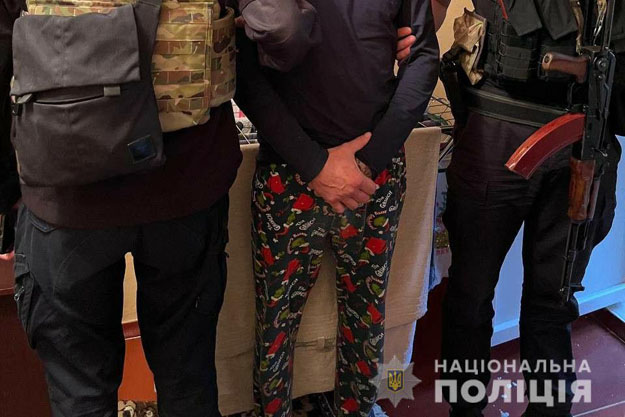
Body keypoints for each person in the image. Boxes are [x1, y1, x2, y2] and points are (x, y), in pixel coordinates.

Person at [0, 0, 242, 416]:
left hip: (64, 198)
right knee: (188, 380)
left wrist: (9, 195)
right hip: (185, 189)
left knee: (80, 395)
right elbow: (272, 29)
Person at [233, 1, 440, 416]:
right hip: (289, 175)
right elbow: (243, 71)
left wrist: (368, 162)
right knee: (275, 323)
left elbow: (423, 58)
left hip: (374, 176)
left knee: (366, 319)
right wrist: (314, 165)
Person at [434, 1, 625, 416]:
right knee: (469, 294)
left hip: (585, 138)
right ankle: (462, 408)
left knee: (553, 302)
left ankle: (549, 410)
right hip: (495, 129)